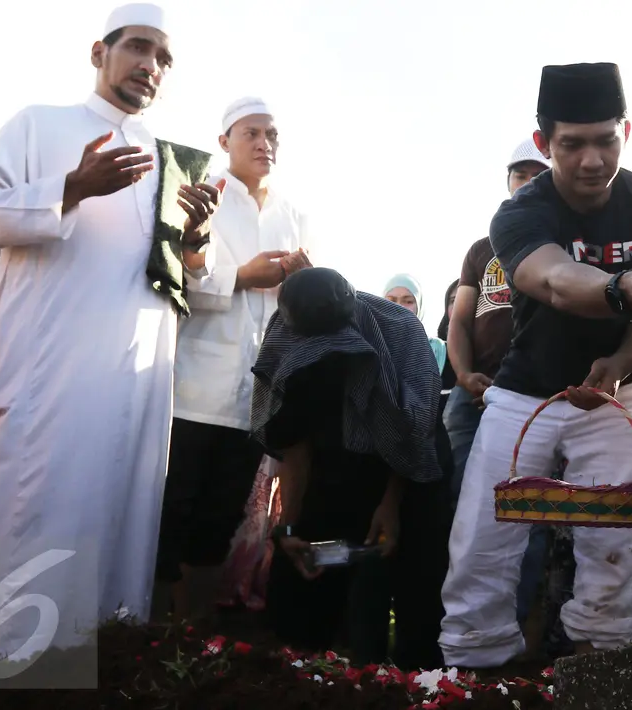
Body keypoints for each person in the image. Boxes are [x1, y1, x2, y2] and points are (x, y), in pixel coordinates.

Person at [440, 62, 632, 670]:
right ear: (544, 144)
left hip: (617, 399)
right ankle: (473, 679)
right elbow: (555, 280)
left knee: (614, 552)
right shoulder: (519, 214)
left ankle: (597, 676)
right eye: (572, 144)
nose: (592, 159)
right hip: (523, 395)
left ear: (627, 131)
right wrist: (626, 287)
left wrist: (619, 362)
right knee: (481, 550)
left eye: (605, 140)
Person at [0, 3, 224, 651]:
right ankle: (12, 676)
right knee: (34, 524)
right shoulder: (40, 124)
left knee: (116, 538)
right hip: (46, 378)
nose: (151, 65)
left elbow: (192, 277)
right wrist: (71, 187)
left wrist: (196, 239)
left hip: (134, 392)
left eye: (164, 58)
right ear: (98, 52)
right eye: (139, 47)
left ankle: (101, 675)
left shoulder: (172, 161)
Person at [153, 97, 314, 622]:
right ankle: (150, 635)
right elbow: (176, 284)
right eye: (252, 133)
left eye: (272, 134)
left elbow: (297, 313)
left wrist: (303, 282)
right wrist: (244, 276)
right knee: (170, 515)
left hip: (255, 397)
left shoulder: (294, 215)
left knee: (219, 522)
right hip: (194, 388)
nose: (265, 143)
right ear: (225, 141)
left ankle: (194, 638)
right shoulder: (205, 196)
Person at [253, 267, 445, 668]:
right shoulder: (287, 330)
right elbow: (295, 441)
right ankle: (304, 673)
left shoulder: (402, 331)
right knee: (307, 572)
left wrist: (390, 507)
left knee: (402, 584)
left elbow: (413, 432)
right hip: (334, 459)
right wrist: (290, 526)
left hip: (411, 468)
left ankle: (404, 682)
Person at [445, 139, 551, 507]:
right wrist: (463, 375)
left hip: (533, 396)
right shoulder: (480, 249)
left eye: (538, 176)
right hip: (472, 393)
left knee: (525, 513)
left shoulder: (564, 246)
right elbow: (459, 321)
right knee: (463, 503)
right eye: (519, 175)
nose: (526, 183)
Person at [384, 273, 447, 371]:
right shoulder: (371, 345)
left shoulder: (436, 349)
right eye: (391, 301)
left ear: (419, 307)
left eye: (408, 301)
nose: (399, 307)